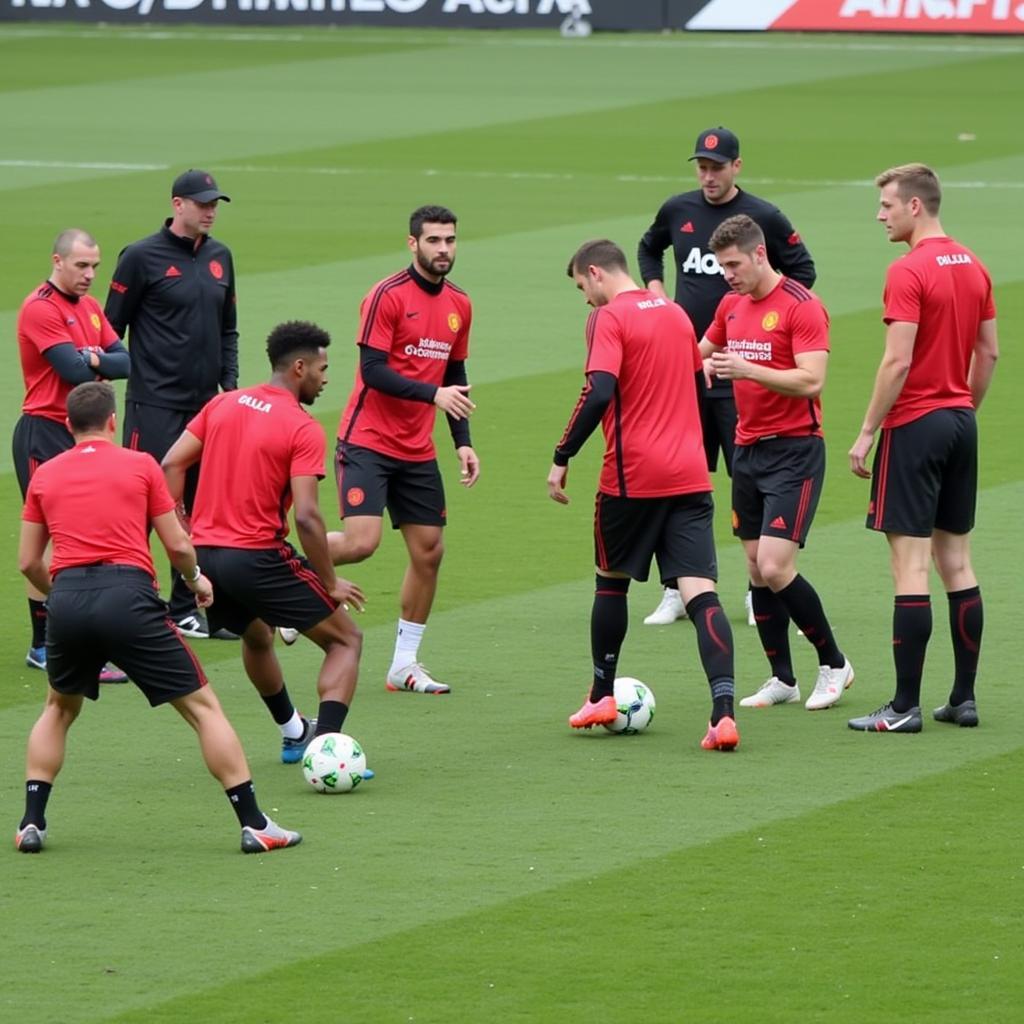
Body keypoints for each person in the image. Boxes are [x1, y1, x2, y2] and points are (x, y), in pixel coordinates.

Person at [14, 382, 299, 855]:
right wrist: (195, 581)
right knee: (203, 709)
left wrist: (64, 595)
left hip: (66, 601)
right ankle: (255, 824)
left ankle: (30, 822)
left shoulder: (46, 475)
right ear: (112, 422)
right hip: (129, 597)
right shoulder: (140, 464)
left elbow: (27, 562)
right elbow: (179, 545)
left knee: (58, 710)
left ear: (68, 427)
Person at [548, 239, 739, 752]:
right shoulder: (677, 314)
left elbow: (600, 390)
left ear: (595, 274)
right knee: (701, 594)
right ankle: (723, 714)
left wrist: (563, 454)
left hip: (632, 476)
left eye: (582, 287)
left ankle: (601, 694)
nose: (585, 299)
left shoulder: (609, 318)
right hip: (691, 472)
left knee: (610, 583)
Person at [162, 321, 367, 766]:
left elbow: (171, 463)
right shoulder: (302, 426)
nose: (326, 378)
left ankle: (294, 732)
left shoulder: (222, 404)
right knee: (346, 640)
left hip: (207, 556)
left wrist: (182, 528)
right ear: (299, 368)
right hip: (257, 557)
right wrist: (328, 580)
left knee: (256, 635)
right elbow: (308, 518)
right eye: (322, 368)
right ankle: (325, 751)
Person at [637, 127, 816, 627]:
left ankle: (758, 588)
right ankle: (677, 587)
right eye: (701, 167)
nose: (708, 176)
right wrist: (657, 293)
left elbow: (803, 270)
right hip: (690, 370)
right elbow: (648, 247)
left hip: (743, 376)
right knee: (678, 480)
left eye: (717, 167)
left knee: (748, 480)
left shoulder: (764, 218)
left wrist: (763, 323)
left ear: (737, 167)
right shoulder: (678, 210)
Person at [847, 163, 998, 734]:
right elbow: (989, 355)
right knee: (956, 561)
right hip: (961, 420)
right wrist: (964, 409)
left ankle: (903, 707)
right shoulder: (975, 264)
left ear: (916, 206)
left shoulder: (908, 270)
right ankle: (963, 698)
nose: (879, 214)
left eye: (887, 204)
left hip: (914, 424)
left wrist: (867, 430)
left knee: (909, 565)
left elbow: (898, 360)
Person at [701, 214, 853, 711]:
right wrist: (700, 359)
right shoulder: (731, 305)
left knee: (775, 563)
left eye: (734, 264)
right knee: (754, 567)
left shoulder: (802, 307)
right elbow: (701, 349)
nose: (727, 274)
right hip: (747, 451)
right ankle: (781, 678)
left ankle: (834, 664)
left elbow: (811, 381)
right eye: (721, 266)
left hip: (795, 451)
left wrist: (746, 368)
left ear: (760, 254)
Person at [331, 205, 480, 695]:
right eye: (434, 241)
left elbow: (454, 374)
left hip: (416, 449)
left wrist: (462, 443)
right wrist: (432, 395)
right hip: (367, 440)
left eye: (450, 240)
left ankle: (403, 664)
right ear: (413, 243)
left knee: (429, 551)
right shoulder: (386, 296)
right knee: (360, 543)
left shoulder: (461, 303)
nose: (443, 250)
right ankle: (290, 566)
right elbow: (373, 371)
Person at [104, 169, 239, 640]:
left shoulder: (222, 257)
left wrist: (229, 385)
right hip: (154, 405)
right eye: (202, 203)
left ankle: (184, 607)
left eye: (214, 203)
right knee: (140, 505)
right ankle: (120, 605)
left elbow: (228, 330)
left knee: (201, 507)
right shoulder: (140, 257)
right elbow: (108, 333)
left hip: (206, 409)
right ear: (177, 204)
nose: (210, 211)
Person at [14, 228, 131, 684]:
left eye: (95, 266)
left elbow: (126, 362)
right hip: (45, 432)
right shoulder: (40, 308)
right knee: (51, 543)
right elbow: (72, 369)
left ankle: (66, 639)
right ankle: (46, 644)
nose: (89, 275)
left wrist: (96, 359)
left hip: (82, 435)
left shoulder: (90, 308)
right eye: (82, 266)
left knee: (81, 538)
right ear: (57, 261)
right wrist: (98, 360)